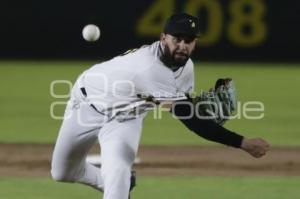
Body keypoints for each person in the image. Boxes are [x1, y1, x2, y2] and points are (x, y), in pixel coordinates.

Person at [51, 13, 270, 199]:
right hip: (86, 106)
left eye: (190, 40)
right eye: (177, 39)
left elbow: (186, 106)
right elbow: (192, 121)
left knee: (117, 172)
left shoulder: (186, 67)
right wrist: (243, 143)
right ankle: (116, 182)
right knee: (62, 173)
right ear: (163, 37)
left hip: (126, 118)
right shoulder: (148, 68)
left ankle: (119, 183)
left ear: (196, 42)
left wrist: (196, 108)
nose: (183, 46)